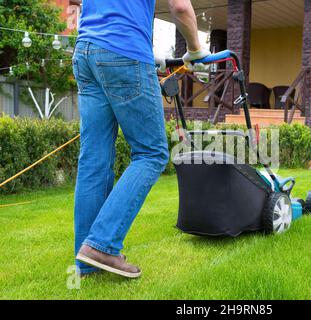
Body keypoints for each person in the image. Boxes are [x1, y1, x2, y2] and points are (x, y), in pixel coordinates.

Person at [73, 0, 210, 278]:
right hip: (124, 51)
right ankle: (101, 244)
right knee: (152, 153)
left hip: (85, 51)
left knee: (93, 160)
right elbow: (181, 7)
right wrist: (196, 50)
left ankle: (87, 262)